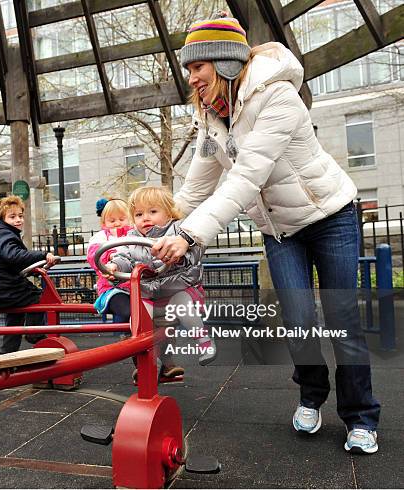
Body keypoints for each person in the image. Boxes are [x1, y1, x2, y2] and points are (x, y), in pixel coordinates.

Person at [152, 13, 380, 453]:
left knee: (341, 320)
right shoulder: (210, 117)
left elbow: (246, 178)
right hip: (280, 231)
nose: (191, 78)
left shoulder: (278, 97)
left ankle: (361, 416)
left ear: (224, 63)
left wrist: (190, 236)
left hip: (329, 217)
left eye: (197, 67)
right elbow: (197, 187)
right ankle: (312, 395)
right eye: (189, 70)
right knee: (298, 320)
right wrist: (158, 229)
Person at [104, 186, 217, 381]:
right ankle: (147, 362)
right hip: (150, 295)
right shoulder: (132, 238)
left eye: (153, 211)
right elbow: (123, 255)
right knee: (137, 321)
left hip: (178, 290)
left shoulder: (179, 230)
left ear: (169, 212)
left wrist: (179, 257)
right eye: (139, 214)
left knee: (184, 307)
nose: (145, 218)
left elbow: (195, 250)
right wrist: (114, 265)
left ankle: (204, 342)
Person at [0, 196, 57, 354]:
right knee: (36, 296)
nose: (18, 220)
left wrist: (37, 263)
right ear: (1, 218)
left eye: (20, 216)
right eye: (12, 217)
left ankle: (7, 352)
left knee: (16, 314)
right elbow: (14, 256)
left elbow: (14, 260)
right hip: (2, 288)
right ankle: (35, 334)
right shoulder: (2, 235)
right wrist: (42, 255)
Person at [87, 198, 133, 324]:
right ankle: (123, 337)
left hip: (137, 286)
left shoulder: (134, 234)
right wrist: (110, 256)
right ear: (104, 222)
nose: (117, 223)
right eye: (112, 220)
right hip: (112, 287)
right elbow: (93, 255)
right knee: (126, 310)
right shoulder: (101, 237)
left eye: (122, 219)